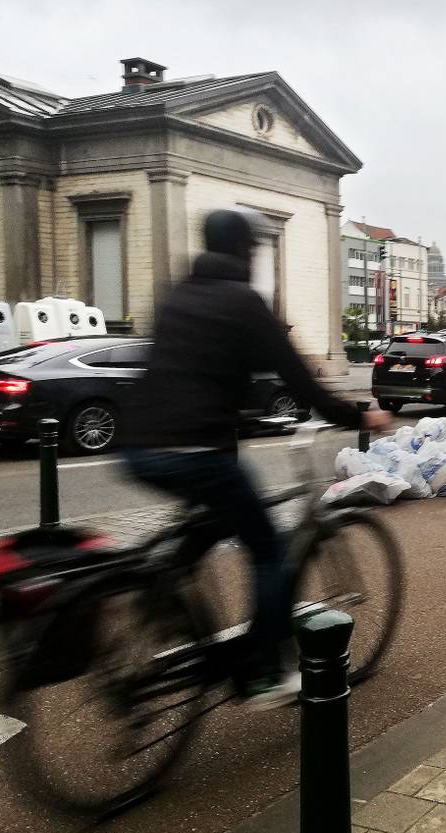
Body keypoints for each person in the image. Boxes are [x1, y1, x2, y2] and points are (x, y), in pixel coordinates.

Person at [123, 209, 392, 709]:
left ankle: (159, 589)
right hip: (198, 450)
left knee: (208, 523)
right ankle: (263, 674)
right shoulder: (243, 301)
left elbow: (181, 370)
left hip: (138, 446)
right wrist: (361, 416)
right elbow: (300, 382)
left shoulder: (175, 294)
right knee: (268, 549)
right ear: (245, 250)